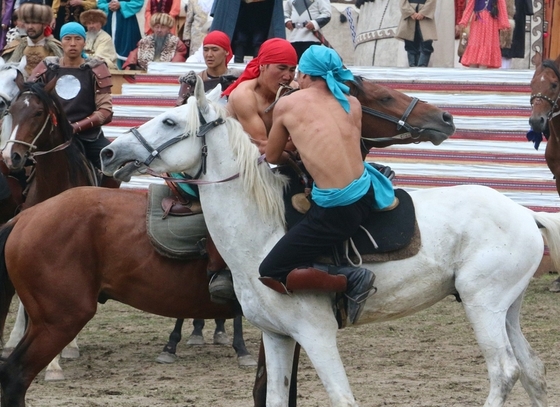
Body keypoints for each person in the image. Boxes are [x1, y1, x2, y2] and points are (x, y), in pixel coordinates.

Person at [260, 45, 396, 325]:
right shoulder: (352, 102)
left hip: (338, 210)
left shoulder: (288, 104)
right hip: (366, 191)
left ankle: (351, 278)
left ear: (305, 74)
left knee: (272, 269)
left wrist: (291, 142)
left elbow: (273, 156)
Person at [29, 22, 117, 186]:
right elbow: (30, 101)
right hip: (48, 135)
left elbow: (105, 111)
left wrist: (75, 127)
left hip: (87, 136)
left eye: (78, 39)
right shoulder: (47, 67)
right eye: (67, 38)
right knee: (13, 164)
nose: (73, 43)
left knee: (115, 163)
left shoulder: (95, 68)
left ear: (84, 42)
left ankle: (104, 203)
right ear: (61, 41)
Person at [224, 37, 298, 155]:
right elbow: (264, 148)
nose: (287, 76)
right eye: (282, 68)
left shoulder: (293, 90)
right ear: (262, 66)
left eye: (292, 70)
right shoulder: (244, 95)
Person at [176, 30, 241, 105]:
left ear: (226, 52)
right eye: (206, 50)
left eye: (215, 50)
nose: (209, 54)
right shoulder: (193, 82)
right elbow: (180, 111)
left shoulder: (237, 79)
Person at [210, 0, 286, 63]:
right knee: (240, 39)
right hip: (240, 7)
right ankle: (238, 62)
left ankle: (257, 65)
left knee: (259, 39)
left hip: (263, 7)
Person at [2, 0, 63, 75]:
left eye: (34, 23)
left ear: (44, 25)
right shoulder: (14, 47)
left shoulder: (56, 48)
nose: (30, 26)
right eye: (27, 22)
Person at [123, 12, 187, 71]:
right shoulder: (144, 42)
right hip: (144, 75)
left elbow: (176, 66)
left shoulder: (177, 43)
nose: (159, 30)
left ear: (169, 28)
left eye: (163, 27)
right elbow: (131, 61)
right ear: (152, 28)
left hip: (167, 75)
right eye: (157, 27)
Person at [457, 0, 510, 69]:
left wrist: (504, 22)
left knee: (487, 43)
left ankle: (483, 67)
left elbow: (501, 5)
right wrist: (464, 21)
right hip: (478, 21)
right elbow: (470, 5)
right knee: (475, 43)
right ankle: (473, 68)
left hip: (491, 21)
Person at [97, 0, 143, 69]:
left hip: (126, 22)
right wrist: (108, 5)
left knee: (127, 46)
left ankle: (127, 72)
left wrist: (121, 5)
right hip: (108, 21)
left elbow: (138, 2)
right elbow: (100, 3)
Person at [395, 0, 438, 67]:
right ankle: (412, 67)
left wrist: (423, 13)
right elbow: (403, 2)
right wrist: (410, 13)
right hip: (410, 17)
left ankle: (422, 68)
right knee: (410, 44)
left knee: (426, 45)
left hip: (425, 17)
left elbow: (431, 1)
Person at [501, 0, 533, 68]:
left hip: (516, 9)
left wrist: (528, 7)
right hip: (499, 8)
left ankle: (505, 67)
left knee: (509, 46)